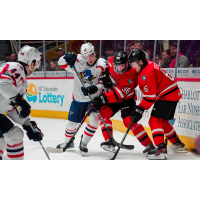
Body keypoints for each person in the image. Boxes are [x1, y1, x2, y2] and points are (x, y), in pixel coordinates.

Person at [90, 51, 155, 154]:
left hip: (126, 99)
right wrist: (105, 75)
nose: (120, 68)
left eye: (122, 65)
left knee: (129, 121)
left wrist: (103, 99)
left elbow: (120, 94)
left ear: (127, 63)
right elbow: (103, 64)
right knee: (103, 114)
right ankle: (109, 141)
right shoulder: (111, 61)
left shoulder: (131, 73)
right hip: (112, 98)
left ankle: (149, 145)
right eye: (118, 65)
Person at [128, 49, 188, 160]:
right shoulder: (147, 65)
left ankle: (161, 148)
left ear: (141, 62)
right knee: (163, 122)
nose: (132, 66)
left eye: (134, 63)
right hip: (172, 93)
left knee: (154, 120)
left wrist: (139, 109)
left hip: (168, 95)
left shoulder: (147, 73)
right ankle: (177, 144)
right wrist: (139, 109)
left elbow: (150, 97)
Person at [56, 43, 108, 156]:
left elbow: (106, 84)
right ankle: (68, 143)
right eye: (86, 56)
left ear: (95, 53)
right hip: (78, 98)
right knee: (70, 124)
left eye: (91, 55)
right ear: (82, 55)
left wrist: (95, 88)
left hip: (93, 99)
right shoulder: (77, 60)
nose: (89, 59)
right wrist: (66, 56)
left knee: (94, 121)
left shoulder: (102, 64)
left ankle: (83, 143)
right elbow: (60, 63)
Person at [0, 45, 44, 160]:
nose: (36, 67)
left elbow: (10, 108)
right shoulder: (16, 67)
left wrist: (27, 125)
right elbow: (2, 82)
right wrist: (18, 100)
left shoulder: (22, 79)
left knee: (15, 135)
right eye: (37, 63)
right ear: (32, 63)